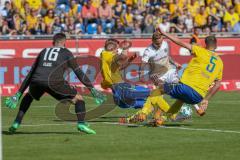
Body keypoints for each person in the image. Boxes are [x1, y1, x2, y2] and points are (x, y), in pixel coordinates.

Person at [5, 33, 106, 134]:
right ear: (64, 42)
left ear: (53, 42)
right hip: (54, 82)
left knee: (28, 96)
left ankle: (16, 123)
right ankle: (81, 124)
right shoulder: (66, 52)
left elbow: (30, 73)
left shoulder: (43, 51)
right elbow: (78, 72)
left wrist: (18, 93)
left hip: (37, 80)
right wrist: (91, 88)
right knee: (78, 99)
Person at [126, 28, 223, 124]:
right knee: (181, 99)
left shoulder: (201, 51)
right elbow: (218, 84)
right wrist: (206, 100)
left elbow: (179, 42)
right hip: (199, 97)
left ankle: (143, 113)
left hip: (184, 85)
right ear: (216, 45)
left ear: (205, 44)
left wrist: (165, 33)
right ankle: (162, 119)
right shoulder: (220, 63)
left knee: (158, 90)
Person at [100, 38, 150, 109]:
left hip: (117, 93)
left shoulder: (105, 57)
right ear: (111, 48)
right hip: (122, 88)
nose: (117, 51)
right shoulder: (107, 55)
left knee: (138, 103)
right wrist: (125, 48)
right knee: (150, 93)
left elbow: (120, 67)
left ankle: (151, 112)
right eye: (117, 48)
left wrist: (130, 59)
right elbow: (122, 56)